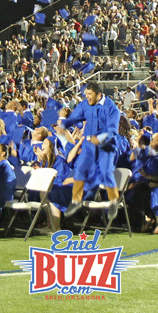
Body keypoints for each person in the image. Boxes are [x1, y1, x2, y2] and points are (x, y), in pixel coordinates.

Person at [60, 81, 121, 221]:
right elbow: (75, 116)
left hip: (106, 145)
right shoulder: (86, 104)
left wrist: (100, 139)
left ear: (99, 95)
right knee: (81, 169)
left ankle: (113, 202)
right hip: (90, 146)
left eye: (89, 94)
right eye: (86, 94)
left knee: (106, 171)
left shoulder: (112, 109)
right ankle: (76, 201)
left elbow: (112, 130)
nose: (86, 97)